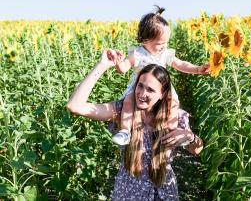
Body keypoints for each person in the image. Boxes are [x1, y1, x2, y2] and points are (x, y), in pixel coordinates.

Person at [66, 50, 203, 200]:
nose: (142, 93)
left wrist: (190, 137)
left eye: (150, 90)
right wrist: (102, 65)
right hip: (129, 193)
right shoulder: (122, 111)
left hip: (165, 193)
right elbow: (75, 106)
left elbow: (196, 150)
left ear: (162, 94)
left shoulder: (176, 116)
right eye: (140, 86)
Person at [112, 5, 209, 146]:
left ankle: (173, 131)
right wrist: (118, 62)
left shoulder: (165, 53)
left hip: (160, 88)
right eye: (160, 43)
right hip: (140, 87)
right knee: (128, 101)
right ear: (145, 39)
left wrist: (198, 69)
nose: (164, 46)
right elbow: (124, 68)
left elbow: (180, 64)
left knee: (173, 103)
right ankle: (125, 131)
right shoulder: (137, 54)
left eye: (166, 42)